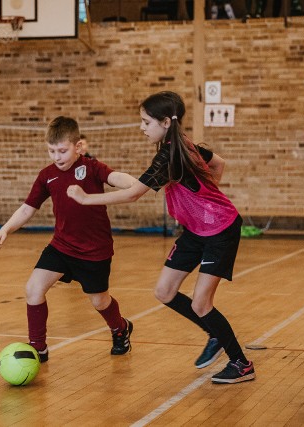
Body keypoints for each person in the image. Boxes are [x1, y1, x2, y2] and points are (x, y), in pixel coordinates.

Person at [67, 91, 255, 384]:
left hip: (220, 230)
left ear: (166, 122)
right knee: (164, 292)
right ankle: (214, 333)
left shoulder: (170, 155)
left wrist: (85, 198)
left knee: (201, 304)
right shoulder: (180, 146)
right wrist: (206, 196)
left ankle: (241, 363)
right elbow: (219, 163)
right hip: (195, 231)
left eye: (146, 122)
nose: (142, 127)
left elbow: (132, 195)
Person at [0, 116, 136, 362]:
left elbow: (116, 178)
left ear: (78, 147)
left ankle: (120, 328)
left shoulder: (92, 168)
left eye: (62, 150)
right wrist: (7, 228)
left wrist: (135, 184)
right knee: (33, 289)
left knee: (99, 301)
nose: (57, 157)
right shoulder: (46, 175)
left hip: (95, 251)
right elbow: (28, 208)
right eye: (51, 151)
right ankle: (38, 348)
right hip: (61, 246)